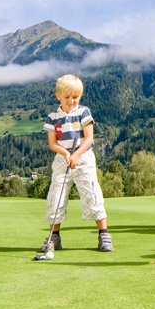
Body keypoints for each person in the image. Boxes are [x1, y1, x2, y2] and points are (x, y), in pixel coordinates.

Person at [39, 74, 113, 253]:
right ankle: (54, 238)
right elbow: (53, 143)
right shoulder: (52, 117)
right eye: (67, 97)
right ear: (58, 96)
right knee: (56, 197)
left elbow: (88, 138)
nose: (72, 101)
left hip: (84, 158)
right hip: (62, 160)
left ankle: (103, 235)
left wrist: (77, 154)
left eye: (76, 97)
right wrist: (66, 154)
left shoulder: (83, 112)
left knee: (92, 194)